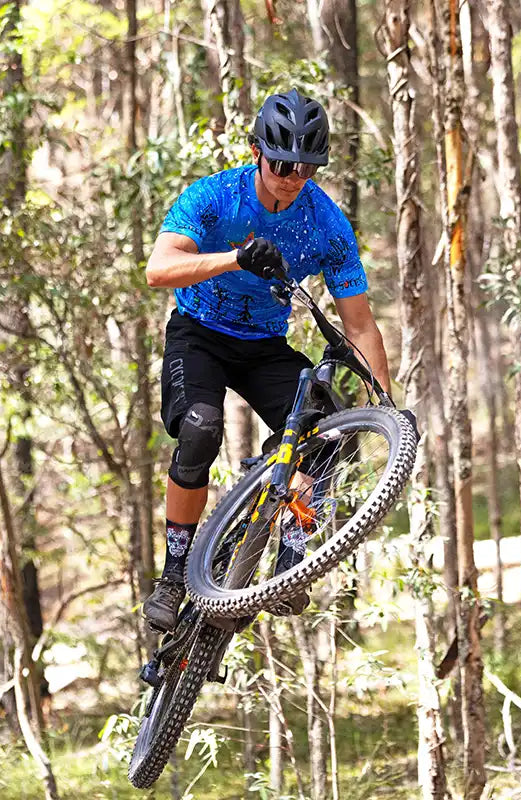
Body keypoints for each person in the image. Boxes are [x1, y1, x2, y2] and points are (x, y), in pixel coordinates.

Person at [143, 88, 391, 633]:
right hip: (200, 334)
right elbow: (158, 269)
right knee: (201, 430)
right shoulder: (215, 196)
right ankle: (174, 574)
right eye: (282, 164)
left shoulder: (326, 223)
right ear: (257, 151)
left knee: (327, 435)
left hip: (264, 345)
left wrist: (387, 406)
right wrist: (233, 258)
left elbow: (359, 325)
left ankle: (290, 560)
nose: (292, 176)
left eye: (307, 167)